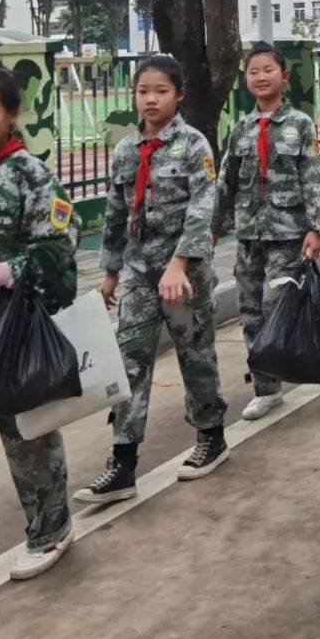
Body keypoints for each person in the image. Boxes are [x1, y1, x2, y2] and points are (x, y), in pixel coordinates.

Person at [76, 55, 227, 505]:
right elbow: (116, 212)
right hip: (140, 275)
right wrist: (110, 272)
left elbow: (204, 209)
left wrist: (179, 263)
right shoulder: (126, 150)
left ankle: (211, 436)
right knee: (129, 364)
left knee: (194, 356)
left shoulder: (194, 145)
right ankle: (122, 464)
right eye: (143, 91)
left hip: (185, 274)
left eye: (161, 91)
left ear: (178, 94)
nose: (151, 99)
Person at [0, 63, 79, 586]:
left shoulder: (30, 177)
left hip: (9, 328)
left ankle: (50, 531)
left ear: (11, 115)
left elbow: (59, 257)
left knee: (25, 435)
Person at [213, 43, 320, 422]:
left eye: (268, 70)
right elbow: (226, 182)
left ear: (284, 76)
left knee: (272, 304)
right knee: (249, 312)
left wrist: (316, 227)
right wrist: (213, 228)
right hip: (248, 235)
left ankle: (281, 369)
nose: (260, 77)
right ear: (245, 80)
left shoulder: (300, 125)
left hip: (286, 233)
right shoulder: (241, 129)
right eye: (253, 71)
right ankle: (266, 389)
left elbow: (311, 176)